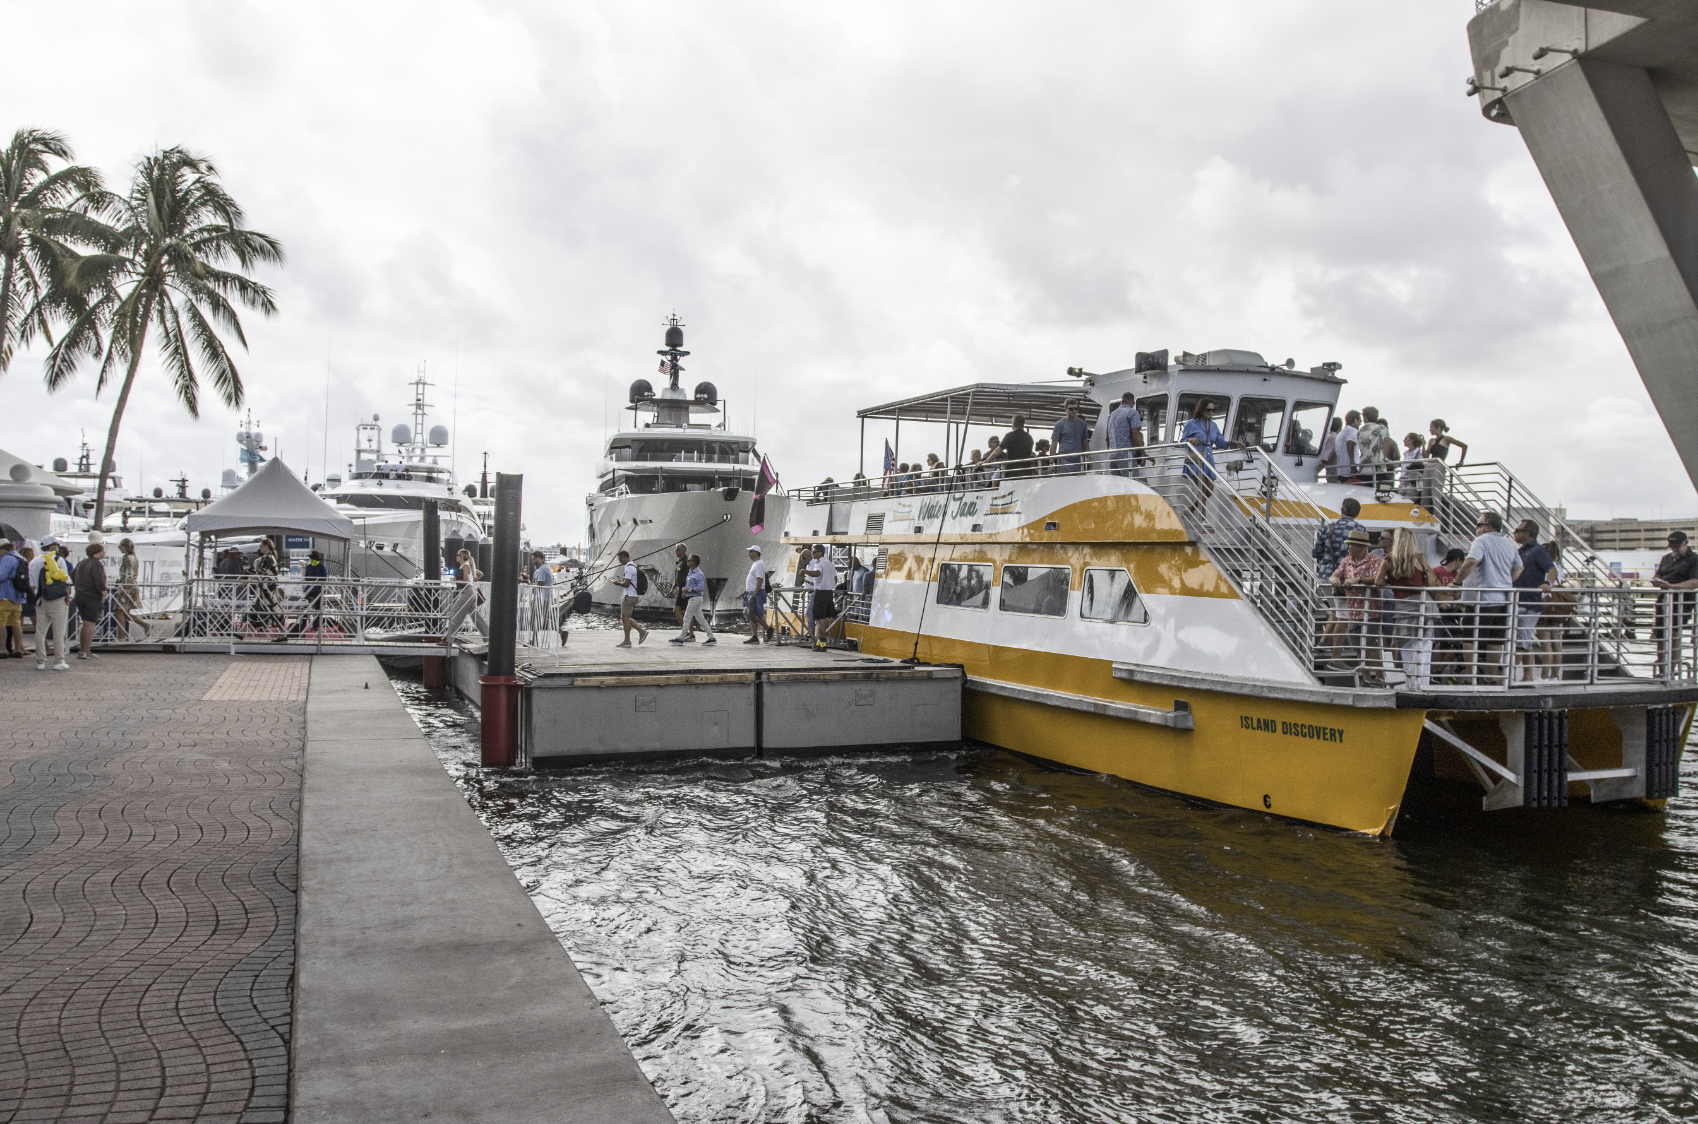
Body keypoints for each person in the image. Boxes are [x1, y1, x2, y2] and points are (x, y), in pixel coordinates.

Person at [1450, 511, 1521, 686]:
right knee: (1495, 640)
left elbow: (1471, 561)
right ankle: (1490, 677)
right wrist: (1505, 582)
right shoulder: (1509, 544)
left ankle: (1470, 677)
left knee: (1469, 638)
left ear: (1488, 527)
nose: (1476, 528)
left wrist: (1457, 582)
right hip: (1503, 599)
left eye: (1478, 524)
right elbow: (1519, 567)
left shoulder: (1481, 541)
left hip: (1482, 599)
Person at [1375, 528, 1433, 688]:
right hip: (1422, 605)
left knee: (1407, 647)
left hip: (1403, 607)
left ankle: (1411, 684)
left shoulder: (1388, 559)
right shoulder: (1419, 559)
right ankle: (1423, 684)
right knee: (1424, 645)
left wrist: (1391, 582)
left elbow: (1378, 582)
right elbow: (1430, 579)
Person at [1324, 529, 1382, 678]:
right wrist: (1334, 579)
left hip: (1370, 611)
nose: (1348, 547)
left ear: (1360, 546)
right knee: (1357, 646)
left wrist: (1359, 580)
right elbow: (1336, 574)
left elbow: (1378, 579)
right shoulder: (1346, 561)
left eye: (1350, 545)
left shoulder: (1374, 560)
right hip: (1353, 611)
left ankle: (1381, 677)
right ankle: (1366, 678)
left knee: (1369, 647)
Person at [1509, 520, 1558, 682]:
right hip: (1518, 602)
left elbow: (1551, 569)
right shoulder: (1521, 551)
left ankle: (1507, 675)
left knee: (1521, 639)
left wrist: (1547, 583)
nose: (1514, 532)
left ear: (1527, 533)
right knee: (1525, 639)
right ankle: (1528, 676)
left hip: (1529, 604)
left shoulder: (1538, 551)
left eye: (1518, 530)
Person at [1651, 530, 1698, 677]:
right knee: (1660, 633)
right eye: (1672, 546)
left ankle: (1671, 669)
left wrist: (1672, 587)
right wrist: (1657, 581)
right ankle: (1662, 668)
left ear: (1685, 543)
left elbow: (1694, 582)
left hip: (1682, 601)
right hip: (1664, 599)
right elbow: (1658, 574)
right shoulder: (1667, 558)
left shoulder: (1694, 559)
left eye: (1677, 546)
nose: (1674, 549)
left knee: (1674, 631)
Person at [1180, 399, 1237, 514]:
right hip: (1195, 459)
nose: (1211, 412)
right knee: (1203, 489)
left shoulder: (1213, 425)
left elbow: (1220, 443)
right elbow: (1182, 441)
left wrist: (1234, 443)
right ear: (1201, 410)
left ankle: (1190, 510)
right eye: (1208, 410)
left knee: (1209, 491)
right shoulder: (1191, 423)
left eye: (1212, 410)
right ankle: (1203, 517)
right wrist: (1190, 439)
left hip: (1208, 460)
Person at [34, 535, 71, 671]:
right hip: (56, 599)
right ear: (52, 547)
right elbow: (66, 581)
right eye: (56, 545)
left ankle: (40, 661)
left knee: (40, 631)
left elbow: (32, 584)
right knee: (59, 631)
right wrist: (67, 597)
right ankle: (58, 661)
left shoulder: (34, 562)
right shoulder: (59, 560)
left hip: (40, 599)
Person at [281, 550, 329, 639]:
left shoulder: (321, 567)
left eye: (315, 559)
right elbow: (306, 577)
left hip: (318, 590)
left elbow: (324, 579)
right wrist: (310, 580)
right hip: (309, 589)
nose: (313, 560)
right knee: (304, 607)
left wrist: (316, 580)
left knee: (318, 608)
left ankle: (316, 624)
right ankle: (303, 624)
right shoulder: (309, 567)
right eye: (312, 559)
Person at [669, 554, 715, 645]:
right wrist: (685, 593)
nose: (688, 562)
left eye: (690, 560)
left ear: (694, 562)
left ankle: (681, 638)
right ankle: (711, 637)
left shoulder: (699, 574)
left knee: (686, 618)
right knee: (701, 619)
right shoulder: (690, 572)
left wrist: (688, 590)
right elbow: (689, 585)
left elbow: (700, 588)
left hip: (695, 598)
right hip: (691, 598)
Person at [73, 542, 108, 659]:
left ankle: (82, 649)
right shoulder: (96, 564)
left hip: (80, 596)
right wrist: (103, 593)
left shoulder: (81, 563)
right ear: (96, 552)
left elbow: (72, 576)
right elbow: (99, 581)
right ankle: (85, 651)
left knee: (85, 623)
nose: (104, 553)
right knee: (90, 624)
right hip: (92, 597)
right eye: (102, 551)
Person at [803, 544, 837, 651]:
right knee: (824, 619)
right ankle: (819, 642)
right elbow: (835, 578)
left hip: (821, 592)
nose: (813, 554)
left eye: (814, 552)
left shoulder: (818, 562)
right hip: (829, 592)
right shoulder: (830, 563)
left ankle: (822, 644)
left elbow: (817, 573)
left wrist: (804, 571)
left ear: (820, 553)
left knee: (820, 619)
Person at [613, 549, 647, 646]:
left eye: (620, 559)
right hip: (633, 595)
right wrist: (621, 581)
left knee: (625, 618)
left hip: (629, 596)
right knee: (624, 617)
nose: (620, 561)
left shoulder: (628, 568)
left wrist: (618, 583)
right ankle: (641, 631)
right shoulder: (633, 566)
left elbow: (626, 584)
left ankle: (628, 641)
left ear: (625, 557)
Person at [1106, 392, 1142, 477]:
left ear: (1121, 402)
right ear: (1133, 403)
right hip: (1126, 456)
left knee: (1116, 487)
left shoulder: (1111, 415)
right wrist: (1143, 453)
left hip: (1112, 456)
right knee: (1132, 485)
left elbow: (1107, 438)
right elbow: (1136, 434)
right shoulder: (1132, 413)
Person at [251, 539, 283, 633]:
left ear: (266, 546)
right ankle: (241, 632)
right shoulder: (269, 557)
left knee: (274, 611)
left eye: (261, 546)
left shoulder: (268, 558)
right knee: (258, 610)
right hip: (266, 589)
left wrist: (246, 581)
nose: (260, 548)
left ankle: (283, 634)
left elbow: (261, 573)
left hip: (267, 589)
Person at [1051, 398, 1090, 474]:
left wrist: (1089, 457)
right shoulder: (1059, 424)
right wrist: (1051, 463)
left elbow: (1085, 442)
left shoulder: (1083, 423)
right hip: (1064, 460)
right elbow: (1054, 444)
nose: (1074, 410)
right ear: (1066, 410)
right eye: (1071, 409)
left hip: (1079, 460)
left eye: (1076, 408)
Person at [0, 540, 24, 658]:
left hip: (5, 595)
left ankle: (1, 650)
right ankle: (18, 649)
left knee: (1, 623)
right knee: (16, 622)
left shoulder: (7, 558)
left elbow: (1, 576)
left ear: (4, 549)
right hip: (17, 596)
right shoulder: (19, 557)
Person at [113, 538, 139, 641]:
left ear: (125, 547)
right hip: (131, 586)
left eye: (120, 547)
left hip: (126, 587)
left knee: (119, 611)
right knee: (124, 613)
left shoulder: (126, 558)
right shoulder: (134, 558)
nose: (120, 549)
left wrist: (122, 586)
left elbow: (128, 574)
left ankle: (121, 637)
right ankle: (145, 625)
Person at [1358, 407, 1390, 489]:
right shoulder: (1382, 428)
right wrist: (1385, 458)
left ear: (1365, 417)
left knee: (1366, 493)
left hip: (1364, 468)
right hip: (1379, 467)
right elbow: (1386, 442)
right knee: (1383, 491)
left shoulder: (1360, 431)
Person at [742, 545, 767, 644]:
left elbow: (760, 580)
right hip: (751, 592)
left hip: (755, 592)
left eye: (751, 551)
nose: (749, 553)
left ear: (757, 553)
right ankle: (754, 636)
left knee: (753, 613)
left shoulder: (759, 564)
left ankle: (768, 628)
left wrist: (755, 595)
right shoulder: (755, 564)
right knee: (751, 614)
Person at [671, 543, 692, 639]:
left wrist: (686, 590)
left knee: (684, 611)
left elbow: (689, 577)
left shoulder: (686, 562)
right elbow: (677, 578)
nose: (675, 551)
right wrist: (672, 588)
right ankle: (687, 633)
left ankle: (689, 634)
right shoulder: (680, 562)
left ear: (682, 551)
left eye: (677, 549)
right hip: (681, 588)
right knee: (683, 610)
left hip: (685, 589)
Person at [1337, 410, 1363, 483]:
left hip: (1340, 470)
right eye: (1360, 420)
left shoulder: (1341, 433)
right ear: (1355, 420)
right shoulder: (1352, 431)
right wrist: (1352, 462)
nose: (1360, 423)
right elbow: (1350, 443)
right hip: (1349, 471)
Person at [1317, 416, 1344, 483]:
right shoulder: (1334, 438)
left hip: (1330, 471)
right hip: (1333, 472)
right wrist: (1317, 470)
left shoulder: (1326, 437)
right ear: (1339, 428)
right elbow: (1326, 456)